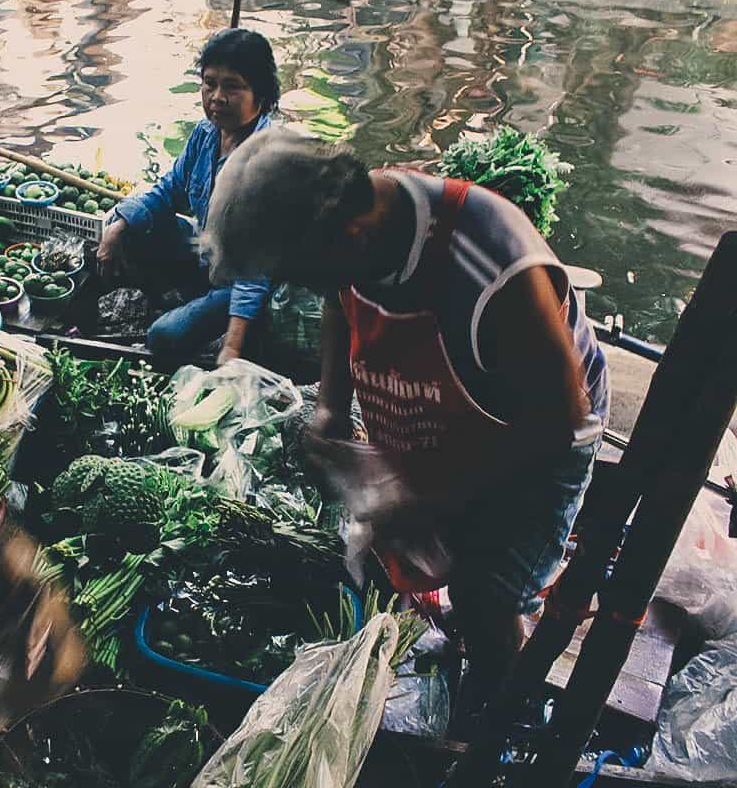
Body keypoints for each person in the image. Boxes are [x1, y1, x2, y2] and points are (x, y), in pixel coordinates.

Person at [205, 128, 610, 717]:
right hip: (444, 412)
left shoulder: (491, 262)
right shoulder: (360, 234)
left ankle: (498, 713)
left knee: (483, 594)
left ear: (348, 235)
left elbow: (555, 422)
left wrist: (430, 497)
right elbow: (338, 297)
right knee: (393, 555)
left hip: (539, 433)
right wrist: (330, 410)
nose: (303, 287)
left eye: (300, 271)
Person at [97, 28, 278, 365]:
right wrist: (118, 227)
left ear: (261, 93)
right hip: (206, 255)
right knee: (128, 225)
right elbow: (169, 191)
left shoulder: (268, 162)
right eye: (210, 84)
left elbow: (255, 272)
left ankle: (227, 325)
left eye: (233, 86)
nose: (217, 97)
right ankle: (187, 300)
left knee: (163, 336)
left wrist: (232, 347)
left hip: (238, 282)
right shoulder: (207, 133)